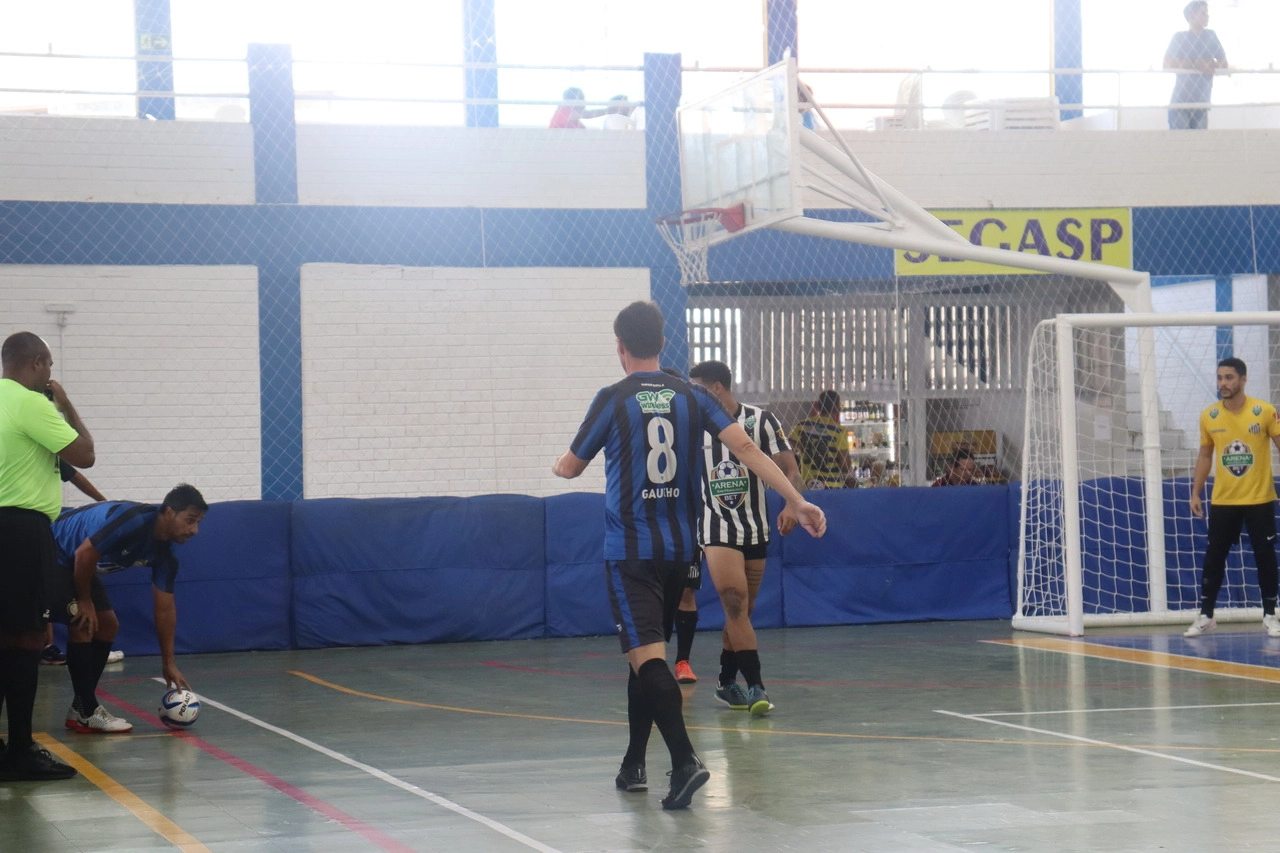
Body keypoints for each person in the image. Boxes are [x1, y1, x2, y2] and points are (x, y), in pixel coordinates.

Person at [553, 301, 826, 810]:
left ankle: (684, 761)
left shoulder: (612, 399)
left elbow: (570, 469)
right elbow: (747, 449)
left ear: (620, 347)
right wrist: (796, 498)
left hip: (631, 552)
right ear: (661, 341)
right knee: (645, 658)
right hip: (680, 549)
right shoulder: (691, 395)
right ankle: (634, 763)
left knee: (647, 657)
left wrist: (558, 464)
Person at [0, 331, 94, 781]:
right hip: (19, 529)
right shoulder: (30, 402)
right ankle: (19, 750)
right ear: (37, 362)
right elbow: (85, 453)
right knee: (29, 639)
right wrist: (64, 402)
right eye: (50, 367)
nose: (51, 375)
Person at [687, 359, 803, 716]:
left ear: (716, 389)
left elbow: (791, 470)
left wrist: (791, 504)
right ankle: (756, 686)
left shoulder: (762, 421)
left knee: (743, 613)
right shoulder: (692, 426)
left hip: (754, 528)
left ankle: (725, 681)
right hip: (716, 528)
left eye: (697, 388)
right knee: (735, 603)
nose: (691, 396)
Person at [50, 484, 207, 733]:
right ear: (168, 512)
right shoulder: (133, 521)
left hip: (78, 563)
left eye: (198, 522)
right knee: (81, 621)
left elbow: (164, 611)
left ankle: (81, 708)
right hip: (52, 551)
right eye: (190, 520)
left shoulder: (165, 556)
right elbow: (84, 552)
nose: (194, 530)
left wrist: (168, 663)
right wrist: (85, 600)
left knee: (108, 626)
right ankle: (86, 710)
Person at [1184, 358, 1280, 638]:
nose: (1223, 383)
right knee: (1214, 557)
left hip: (1259, 499)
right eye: (1220, 378)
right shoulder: (1209, 416)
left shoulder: (1264, 411)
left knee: (1265, 557)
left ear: (1243, 379)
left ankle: (1271, 615)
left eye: (1229, 378)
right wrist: (1196, 493)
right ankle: (1206, 615)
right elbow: (1205, 455)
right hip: (1224, 501)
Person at [40, 459, 106, 666]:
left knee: (44, 593)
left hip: (47, 530)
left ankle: (45, 646)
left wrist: (104, 503)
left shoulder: (50, 454)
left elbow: (77, 476)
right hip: (20, 526)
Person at [1164, 1, 1227, 130]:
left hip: (1201, 102)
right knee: (1181, 144)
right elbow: (1166, 64)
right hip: (1180, 102)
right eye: (1203, 13)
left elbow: (1224, 63)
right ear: (1191, 16)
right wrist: (1194, 63)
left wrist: (1209, 64)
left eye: (1207, 13)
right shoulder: (1179, 37)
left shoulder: (1211, 36)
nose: (1207, 16)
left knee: (1200, 146)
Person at [789, 390, 851, 489]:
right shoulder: (839, 431)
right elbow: (846, 467)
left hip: (806, 485)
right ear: (837, 408)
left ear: (818, 405)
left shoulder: (802, 426)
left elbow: (788, 450)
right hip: (831, 487)